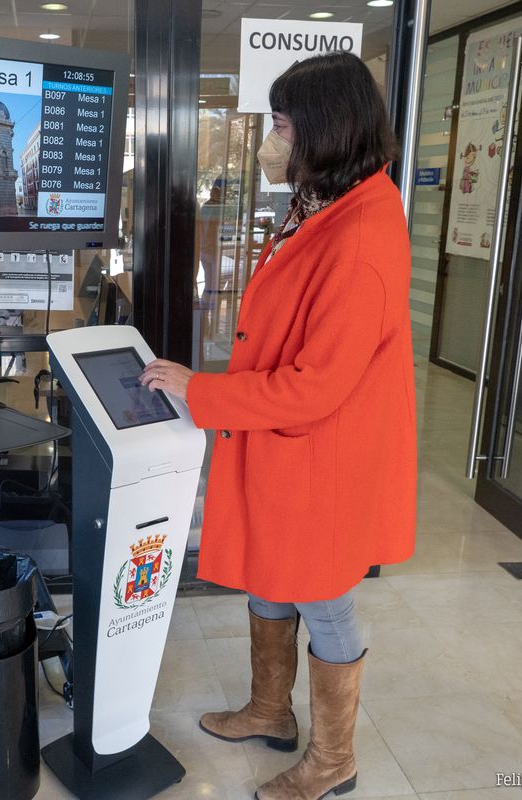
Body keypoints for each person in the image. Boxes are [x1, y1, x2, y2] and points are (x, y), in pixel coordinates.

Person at [141, 52, 416, 800]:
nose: (273, 137)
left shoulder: (361, 233)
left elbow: (316, 385)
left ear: (324, 128)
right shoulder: (326, 199)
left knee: (323, 596)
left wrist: (205, 393)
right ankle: (270, 711)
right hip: (284, 447)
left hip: (319, 454)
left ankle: (335, 760)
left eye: (284, 123)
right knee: (271, 572)